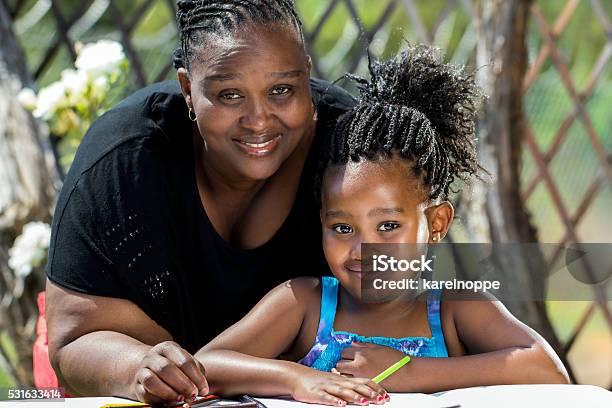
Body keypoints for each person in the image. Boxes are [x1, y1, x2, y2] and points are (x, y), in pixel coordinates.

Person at [195, 45, 571, 407]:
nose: (363, 249)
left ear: (435, 223)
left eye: (388, 225)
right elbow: (208, 364)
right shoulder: (305, 304)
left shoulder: (454, 307)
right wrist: (295, 377)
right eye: (342, 228)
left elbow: (547, 369)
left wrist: (408, 371)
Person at [44, 0, 355, 403]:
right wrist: (137, 366)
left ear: (307, 74)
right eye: (229, 95)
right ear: (188, 88)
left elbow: (402, 300)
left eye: (282, 90)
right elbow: (73, 338)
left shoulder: (354, 153)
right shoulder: (124, 163)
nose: (259, 120)